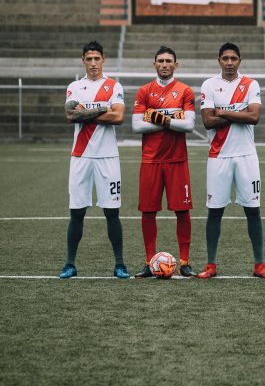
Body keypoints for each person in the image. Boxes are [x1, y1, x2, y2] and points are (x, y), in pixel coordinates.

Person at [197, 43, 265, 279]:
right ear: (219, 60)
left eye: (234, 58)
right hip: (218, 156)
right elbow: (207, 122)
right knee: (215, 211)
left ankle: (259, 265)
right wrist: (238, 113)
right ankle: (211, 265)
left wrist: (222, 112)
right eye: (225, 58)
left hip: (246, 157)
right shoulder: (209, 85)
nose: (229, 62)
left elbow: (254, 117)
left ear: (240, 60)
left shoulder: (251, 84)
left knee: (253, 210)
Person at [59, 41, 129, 279]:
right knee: (77, 212)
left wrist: (86, 113)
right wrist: (102, 110)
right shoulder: (75, 86)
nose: (92, 63)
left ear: (103, 59)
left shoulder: (113, 86)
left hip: (107, 157)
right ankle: (70, 264)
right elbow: (70, 115)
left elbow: (118, 117)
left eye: (96, 58)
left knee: (112, 212)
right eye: (88, 59)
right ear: (83, 61)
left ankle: (120, 264)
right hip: (81, 157)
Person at [132, 46, 198, 278]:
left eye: (169, 61)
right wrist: (171, 119)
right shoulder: (144, 91)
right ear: (154, 64)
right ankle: (150, 262)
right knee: (148, 211)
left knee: (182, 211)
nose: (164, 64)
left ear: (176, 65)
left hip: (177, 160)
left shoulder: (185, 91)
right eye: (160, 60)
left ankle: (184, 262)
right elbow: (136, 126)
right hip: (150, 160)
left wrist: (157, 117)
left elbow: (189, 125)